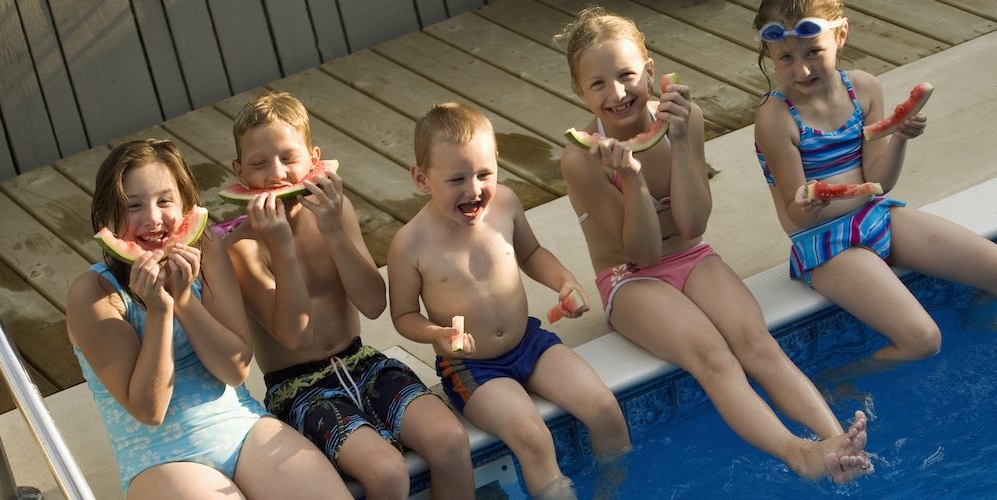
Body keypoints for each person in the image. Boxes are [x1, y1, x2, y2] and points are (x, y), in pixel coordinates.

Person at [557, 7, 872, 483]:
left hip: (691, 255)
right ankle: (798, 453)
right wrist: (632, 180)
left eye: (626, 76)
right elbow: (643, 254)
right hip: (630, 278)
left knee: (758, 344)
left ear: (649, 71)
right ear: (580, 91)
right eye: (598, 84)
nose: (617, 94)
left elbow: (692, 225)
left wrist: (683, 142)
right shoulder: (580, 159)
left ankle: (836, 443)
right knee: (713, 357)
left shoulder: (687, 119)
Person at [66, 139, 353, 499]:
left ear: (186, 206)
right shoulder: (93, 293)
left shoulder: (207, 250)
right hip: (161, 459)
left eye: (165, 201)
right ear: (110, 213)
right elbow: (149, 410)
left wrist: (185, 300)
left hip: (244, 429)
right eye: (133, 205)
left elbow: (235, 370)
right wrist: (160, 311)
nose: (153, 218)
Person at [223, 91, 474, 500]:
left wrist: (335, 233)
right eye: (258, 163)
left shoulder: (336, 213)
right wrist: (282, 248)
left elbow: (373, 304)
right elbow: (295, 336)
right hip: (298, 389)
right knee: (387, 473)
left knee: (450, 441)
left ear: (313, 158)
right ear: (238, 171)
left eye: (288, 157)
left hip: (363, 361)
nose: (277, 173)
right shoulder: (242, 248)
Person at [388, 102, 632, 499]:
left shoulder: (505, 203)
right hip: (473, 367)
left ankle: (615, 491)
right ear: (421, 178)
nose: (474, 190)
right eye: (456, 179)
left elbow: (531, 253)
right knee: (533, 438)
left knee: (605, 409)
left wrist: (564, 281)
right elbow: (403, 315)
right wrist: (436, 333)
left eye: (484, 173)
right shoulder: (410, 243)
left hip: (528, 342)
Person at [752, 0, 997, 360]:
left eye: (814, 52)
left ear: (841, 35)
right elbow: (797, 215)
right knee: (924, 340)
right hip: (824, 243)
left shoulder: (863, 88)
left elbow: (879, 181)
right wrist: (812, 203)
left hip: (876, 215)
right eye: (786, 58)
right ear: (770, 53)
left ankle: (978, 320)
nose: (802, 69)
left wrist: (899, 138)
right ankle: (841, 381)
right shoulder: (775, 118)